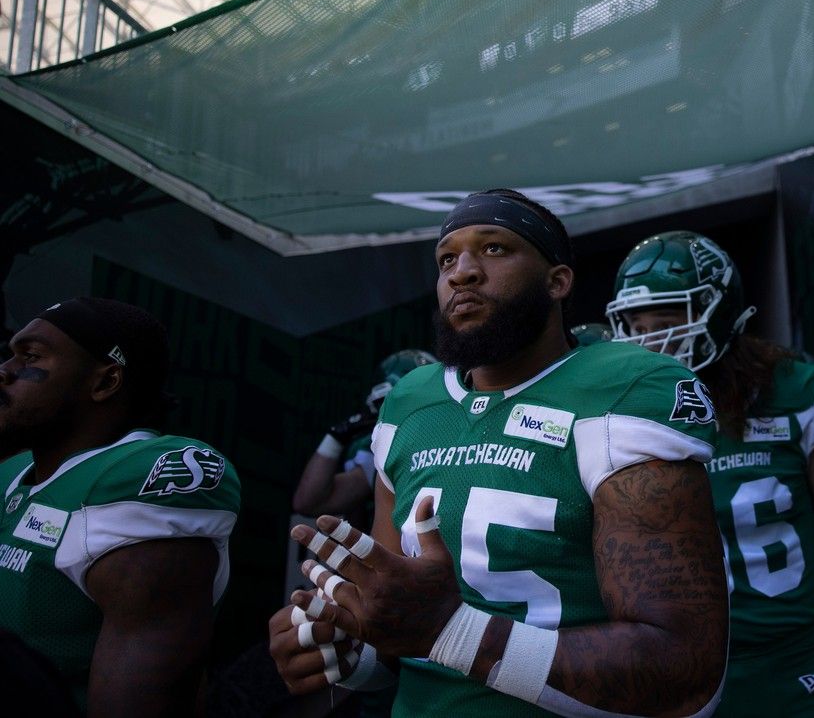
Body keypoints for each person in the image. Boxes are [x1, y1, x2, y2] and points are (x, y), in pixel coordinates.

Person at [269, 189, 729, 717]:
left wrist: (454, 630)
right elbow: (399, 632)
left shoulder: (623, 389)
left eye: (493, 249)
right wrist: (346, 651)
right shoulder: (411, 402)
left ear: (558, 281)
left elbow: (686, 672)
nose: (462, 272)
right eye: (447, 259)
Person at [605, 230, 814, 718]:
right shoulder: (620, 410)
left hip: (793, 660)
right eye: (637, 326)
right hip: (680, 675)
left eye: (669, 321)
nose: (652, 343)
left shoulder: (792, 392)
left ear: (720, 313)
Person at [0, 297, 241, 715]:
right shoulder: (12, 471)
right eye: (10, 354)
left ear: (105, 382)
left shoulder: (141, 476)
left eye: (31, 356)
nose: (5, 370)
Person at [293, 349, 437, 525]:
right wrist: (336, 436)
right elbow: (309, 502)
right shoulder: (382, 450)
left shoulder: (458, 439)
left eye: (407, 403)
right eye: (386, 405)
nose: (395, 414)